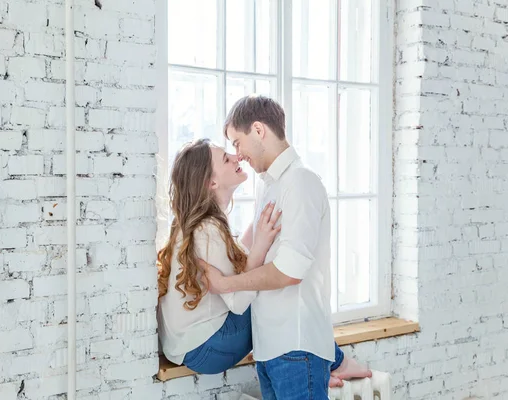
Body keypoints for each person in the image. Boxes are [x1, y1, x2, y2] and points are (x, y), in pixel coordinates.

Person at [156, 138, 369, 391]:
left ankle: (321, 367)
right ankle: (334, 362)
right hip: (209, 347)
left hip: (184, 346)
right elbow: (238, 301)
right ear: (211, 183)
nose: (235, 157)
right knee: (274, 288)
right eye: (226, 158)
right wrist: (261, 246)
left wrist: (260, 227)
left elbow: (237, 260)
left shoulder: (199, 224)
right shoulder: (209, 230)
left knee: (269, 284)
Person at [199, 94, 370, 399]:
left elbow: (290, 272)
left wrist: (226, 284)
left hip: (296, 347)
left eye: (238, 143)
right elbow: (249, 249)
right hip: (272, 349)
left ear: (259, 130)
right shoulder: (271, 187)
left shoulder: (300, 183)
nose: (238, 155)